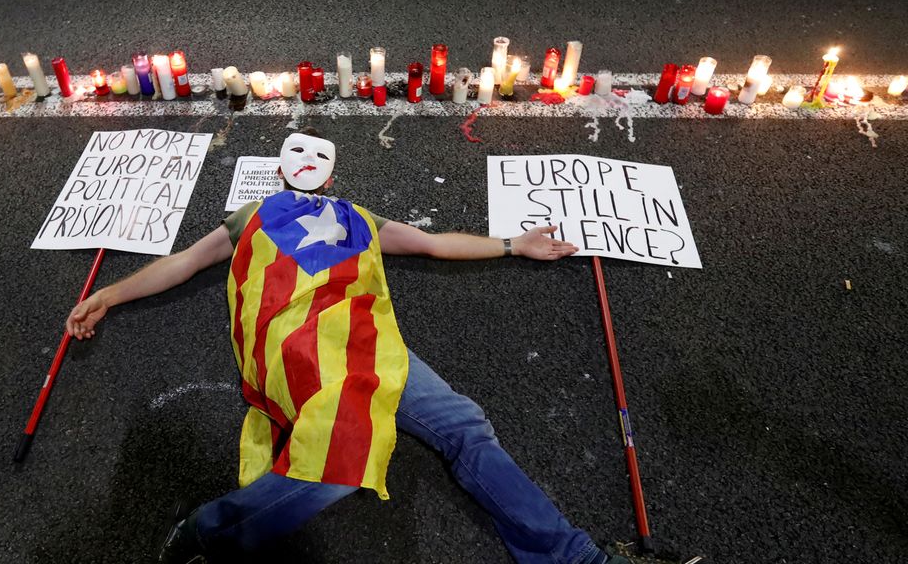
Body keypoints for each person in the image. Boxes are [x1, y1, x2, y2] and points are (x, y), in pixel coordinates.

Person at [66, 129, 628, 564]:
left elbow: (431, 245)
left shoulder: (359, 219)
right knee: (341, 459)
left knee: (463, 425)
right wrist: (110, 295)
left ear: (328, 181)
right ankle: (209, 533)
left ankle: (569, 555)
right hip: (301, 345)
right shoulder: (251, 216)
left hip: (369, 343)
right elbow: (185, 262)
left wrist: (513, 244)